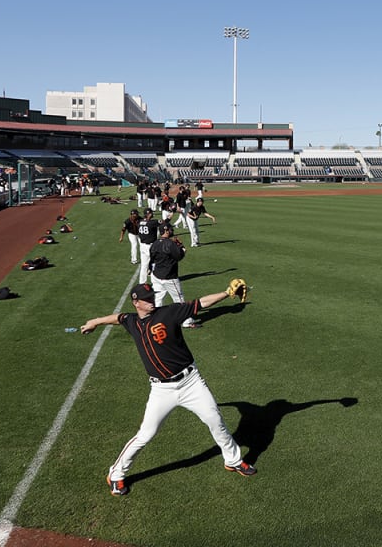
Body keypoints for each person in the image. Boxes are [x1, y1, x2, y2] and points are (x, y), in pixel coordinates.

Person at [80, 281, 255, 496]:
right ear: (136, 302)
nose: (152, 300)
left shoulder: (169, 313)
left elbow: (201, 303)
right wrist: (95, 322)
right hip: (161, 390)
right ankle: (116, 474)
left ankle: (233, 460)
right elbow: (117, 318)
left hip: (191, 382)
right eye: (147, 299)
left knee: (215, 420)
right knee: (146, 434)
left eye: (152, 296)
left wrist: (227, 293)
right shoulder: (131, 321)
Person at [149, 223, 200, 328]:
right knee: (179, 299)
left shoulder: (155, 243)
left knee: (158, 299)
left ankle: (155, 320)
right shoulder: (170, 244)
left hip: (157, 276)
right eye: (170, 229)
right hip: (169, 277)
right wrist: (181, 247)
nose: (172, 231)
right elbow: (179, 256)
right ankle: (186, 322)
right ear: (166, 231)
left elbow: (152, 259)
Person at [136, 208, 159, 284]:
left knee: (144, 265)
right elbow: (164, 222)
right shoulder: (152, 223)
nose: (152, 214)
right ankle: (155, 282)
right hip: (150, 246)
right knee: (155, 264)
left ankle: (142, 282)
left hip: (142, 245)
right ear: (148, 214)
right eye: (151, 213)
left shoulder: (139, 222)